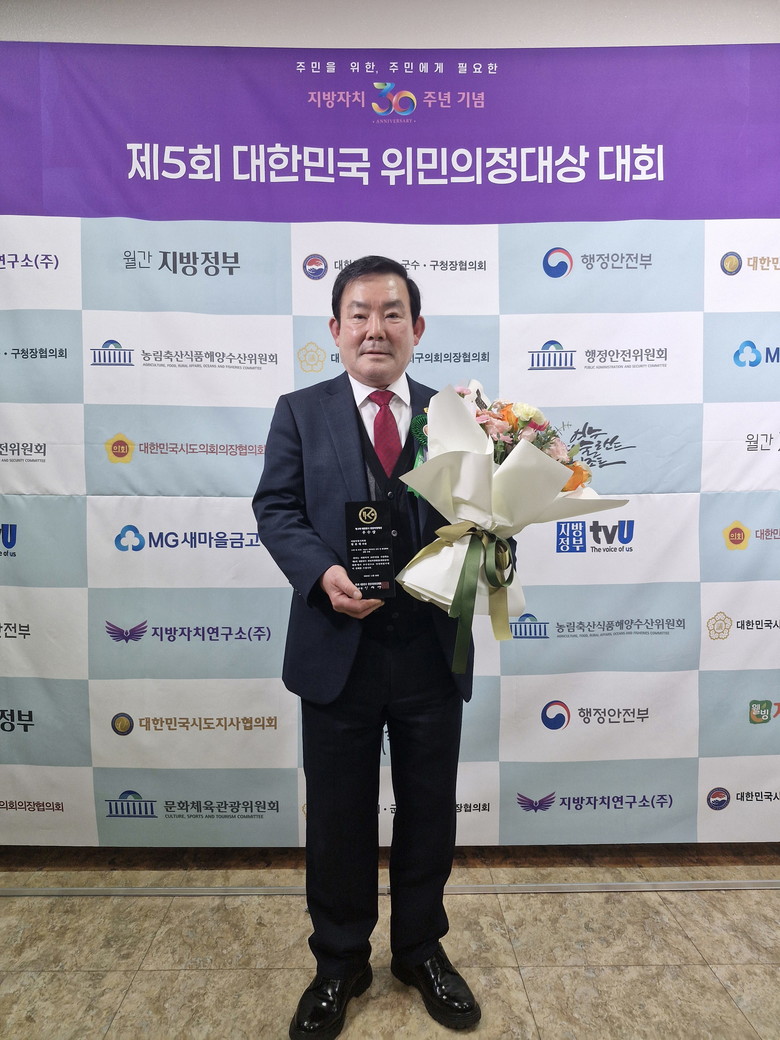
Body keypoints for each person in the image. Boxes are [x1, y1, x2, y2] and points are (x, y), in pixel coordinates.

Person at [253, 255, 481, 1038]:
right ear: (335, 329)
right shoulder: (299, 411)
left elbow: (487, 517)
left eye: (392, 313)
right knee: (338, 817)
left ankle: (420, 950)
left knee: (429, 809)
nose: (375, 329)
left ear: (417, 328)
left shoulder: (459, 418)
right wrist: (322, 575)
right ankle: (340, 961)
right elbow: (276, 509)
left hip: (428, 649)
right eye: (359, 314)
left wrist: (492, 545)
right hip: (336, 647)